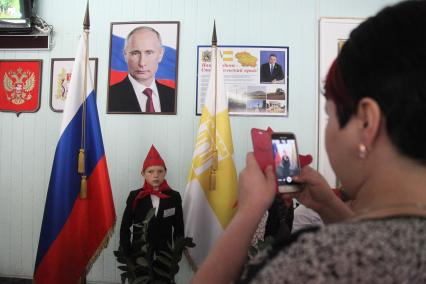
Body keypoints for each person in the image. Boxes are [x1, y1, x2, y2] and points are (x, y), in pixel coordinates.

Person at [192, 1, 426, 283]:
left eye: (329, 115)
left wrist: (249, 210)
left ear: (366, 123)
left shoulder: (309, 263)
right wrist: (328, 206)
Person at [119, 145, 184, 282]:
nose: (155, 175)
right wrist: (127, 251)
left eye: (160, 171)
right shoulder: (135, 196)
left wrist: (176, 253)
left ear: (165, 172)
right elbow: (125, 226)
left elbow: (179, 227)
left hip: (165, 255)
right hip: (139, 254)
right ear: (143, 173)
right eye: (150, 171)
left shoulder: (174, 197)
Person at [108, 26, 176, 113]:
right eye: (135, 53)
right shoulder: (110, 96)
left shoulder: (173, 95)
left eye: (149, 53)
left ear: (160, 54)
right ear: (125, 55)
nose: (142, 63)